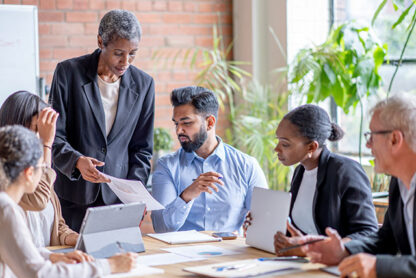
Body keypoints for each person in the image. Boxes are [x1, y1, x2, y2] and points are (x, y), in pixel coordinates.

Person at [49, 10, 155, 232]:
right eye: (118, 53)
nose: (126, 61)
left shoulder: (144, 84)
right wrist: (77, 161)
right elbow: (54, 136)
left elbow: (142, 149)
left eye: (133, 53)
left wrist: (135, 194)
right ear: (100, 41)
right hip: (74, 198)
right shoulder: (68, 73)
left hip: (118, 201)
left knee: (118, 263)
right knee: (75, 262)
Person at [302, 94, 416, 278]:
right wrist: (343, 250)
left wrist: (379, 267)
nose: (368, 144)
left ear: (395, 139)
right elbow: (386, 238)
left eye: (372, 135)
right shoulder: (399, 182)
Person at [0, 125, 137, 277]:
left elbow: (16, 250)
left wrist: (51, 256)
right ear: (29, 173)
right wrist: (109, 265)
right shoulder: (5, 208)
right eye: (42, 167)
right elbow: (41, 274)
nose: (46, 173)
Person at [257, 104, 377, 256]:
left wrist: (313, 247)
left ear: (311, 147)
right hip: (308, 263)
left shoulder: (345, 171)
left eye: (285, 144)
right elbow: (300, 230)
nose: (277, 149)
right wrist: (261, 225)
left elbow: (368, 233)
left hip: (340, 267)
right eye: (278, 141)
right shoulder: (300, 171)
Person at [151, 86, 268, 233]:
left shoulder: (247, 166)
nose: (179, 131)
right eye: (176, 123)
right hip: (184, 254)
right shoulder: (167, 166)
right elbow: (161, 228)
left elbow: (265, 222)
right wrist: (187, 195)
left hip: (231, 253)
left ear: (210, 123)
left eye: (186, 123)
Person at [0, 90, 78, 247]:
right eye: (38, 129)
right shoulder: (7, 173)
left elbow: (58, 225)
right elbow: (38, 201)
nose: (41, 134)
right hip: (22, 268)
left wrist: (77, 239)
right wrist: (46, 144)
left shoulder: (36, 167)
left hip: (47, 261)